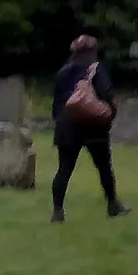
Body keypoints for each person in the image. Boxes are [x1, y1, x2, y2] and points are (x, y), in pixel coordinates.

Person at [51, 35, 130, 221]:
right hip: (94, 128)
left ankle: (57, 211)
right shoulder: (96, 69)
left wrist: (61, 121)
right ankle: (113, 205)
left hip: (67, 127)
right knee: (104, 168)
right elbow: (106, 93)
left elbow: (56, 105)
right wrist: (112, 111)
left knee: (64, 170)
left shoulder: (63, 73)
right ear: (93, 51)